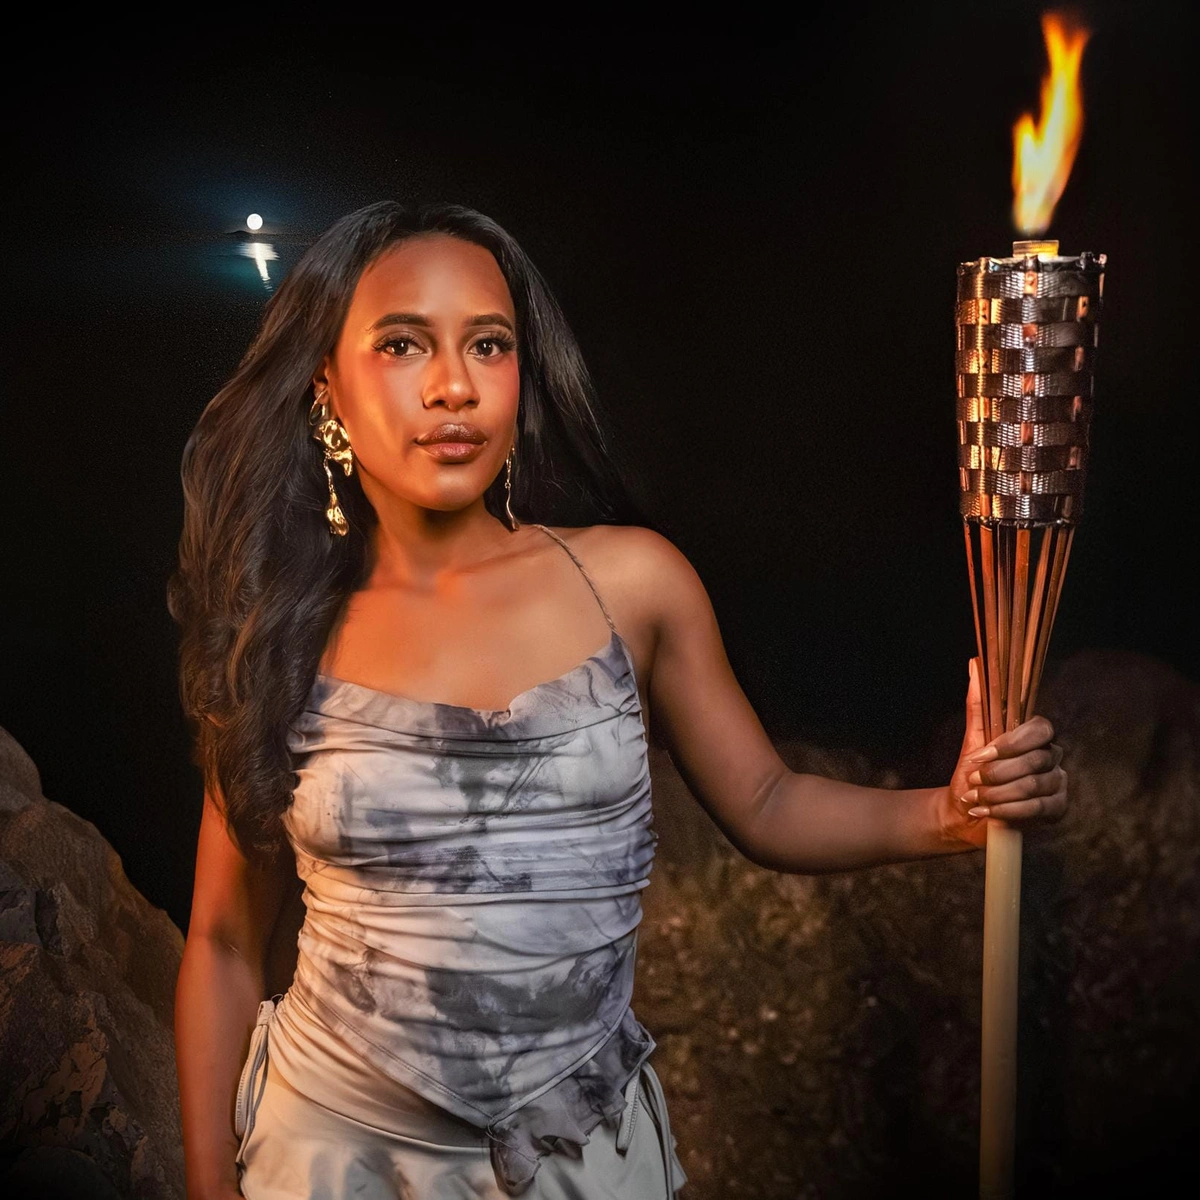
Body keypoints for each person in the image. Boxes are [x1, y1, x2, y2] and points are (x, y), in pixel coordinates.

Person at [168, 200, 1067, 1200]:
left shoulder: (633, 587)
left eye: (489, 344)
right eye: (403, 345)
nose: (455, 386)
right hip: (335, 1161)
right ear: (327, 388)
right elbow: (220, 941)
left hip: (583, 1165)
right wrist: (210, 1189)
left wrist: (948, 815)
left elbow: (765, 802)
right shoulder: (281, 631)